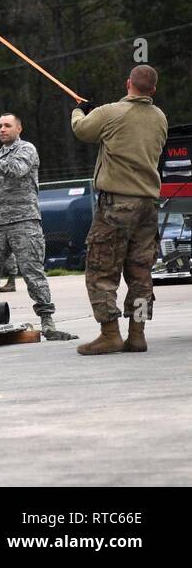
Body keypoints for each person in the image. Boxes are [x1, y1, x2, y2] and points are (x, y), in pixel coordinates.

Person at [71, 64, 168, 355]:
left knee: (101, 269)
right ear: (152, 90)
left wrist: (80, 110)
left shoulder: (111, 112)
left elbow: (81, 130)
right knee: (140, 273)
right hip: (148, 206)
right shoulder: (160, 118)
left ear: (128, 83)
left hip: (117, 205)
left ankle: (110, 333)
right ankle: (137, 334)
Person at [0, 113, 67, 339]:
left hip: (24, 221)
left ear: (19, 128)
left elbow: (16, 170)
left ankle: (47, 322)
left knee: (32, 272)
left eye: (7, 125)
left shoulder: (27, 149)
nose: (2, 129)